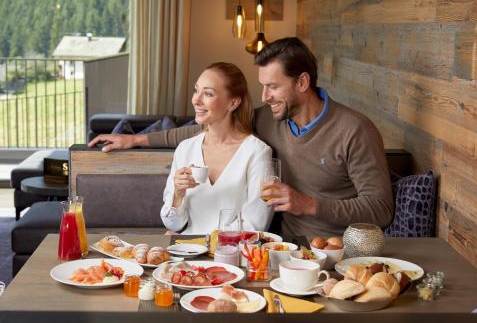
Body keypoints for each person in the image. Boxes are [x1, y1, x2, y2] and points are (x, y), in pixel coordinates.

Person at [89, 38, 393, 238]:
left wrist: (309, 204)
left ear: (302, 82)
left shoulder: (355, 130)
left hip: (337, 249)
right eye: (262, 86)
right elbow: (204, 128)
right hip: (284, 249)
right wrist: (136, 141)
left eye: (272, 87)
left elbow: (381, 209)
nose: (264, 96)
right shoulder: (270, 117)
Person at [159, 62, 273, 234]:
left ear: (233, 103)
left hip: (230, 256)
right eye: (196, 90)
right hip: (186, 254)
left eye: (208, 94)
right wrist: (177, 195)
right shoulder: (185, 149)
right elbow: (173, 225)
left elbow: (255, 226)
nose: (196, 100)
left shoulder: (257, 152)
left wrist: (203, 242)